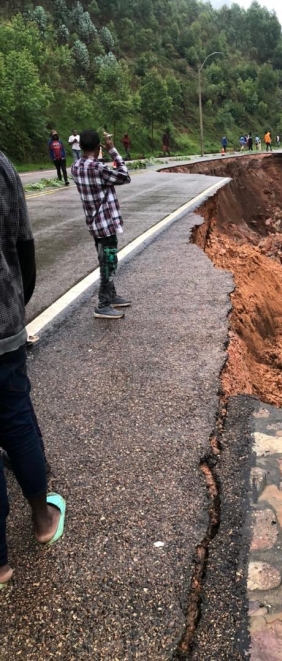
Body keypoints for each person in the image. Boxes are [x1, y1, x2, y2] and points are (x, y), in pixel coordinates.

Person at [0, 149, 66, 589]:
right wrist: (15, 312)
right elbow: (25, 249)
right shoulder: (2, 167)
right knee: (17, 422)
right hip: (2, 326)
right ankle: (42, 519)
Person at [71, 130, 131, 319]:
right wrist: (113, 151)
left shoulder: (75, 167)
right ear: (99, 147)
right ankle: (103, 304)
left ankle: (111, 296)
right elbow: (124, 176)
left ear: (80, 147)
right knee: (109, 263)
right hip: (105, 225)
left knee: (105, 260)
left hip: (94, 223)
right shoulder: (98, 168)